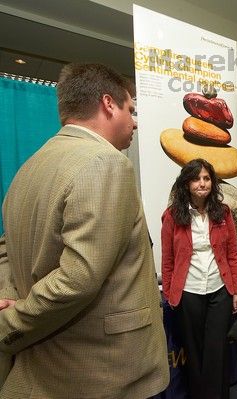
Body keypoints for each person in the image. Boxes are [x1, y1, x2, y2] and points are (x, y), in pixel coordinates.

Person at [0, 63, 169, 398]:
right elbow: (78, 278)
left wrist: (8, 297)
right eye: (131, 109)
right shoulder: (104, 163)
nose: (135, 122)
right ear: (108, 103)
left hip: (46, 370)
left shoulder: (29, 168)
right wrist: (10, 321)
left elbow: (7, 249)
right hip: (100, 373)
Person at [161, 158, 237, 398]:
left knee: (217, 351)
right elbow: (168, 260)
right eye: (196, 178)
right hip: (188, 292)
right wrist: (169, 294)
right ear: (186, 183)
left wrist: (236, 290)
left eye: (207, 178)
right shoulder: (173, 216)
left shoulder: (223, 212)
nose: (202, 183)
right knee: (194, 353)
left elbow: (233, 254)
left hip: (220, 290)